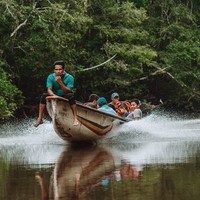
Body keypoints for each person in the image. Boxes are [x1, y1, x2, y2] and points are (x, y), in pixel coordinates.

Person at [34, 60, 79, 127]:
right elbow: (49, 89)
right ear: (54, 70)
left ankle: (75, 118)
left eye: (60, 69)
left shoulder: (70, 77)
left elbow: (68, 91)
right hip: (54, 95)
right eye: (56, 69)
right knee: (43, 96)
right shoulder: (50, 77)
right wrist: (53, 95)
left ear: (63, 69)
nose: (58, 71)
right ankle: (40, 118)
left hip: (65, 95)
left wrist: (60, 82)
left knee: (71, 96)